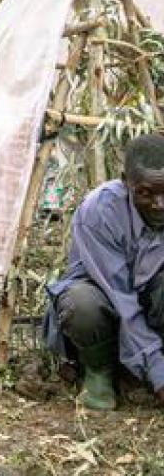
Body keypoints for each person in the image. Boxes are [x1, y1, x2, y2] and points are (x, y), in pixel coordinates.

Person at [44, 135, 164, 411]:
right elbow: (121, 298)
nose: (160, 204)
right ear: (126, 182)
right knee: (81, 304)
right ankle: (100, 371)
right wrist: (159, 375)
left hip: (150, 305)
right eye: (147, 193)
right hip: (106, 304)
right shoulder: (99, 210)